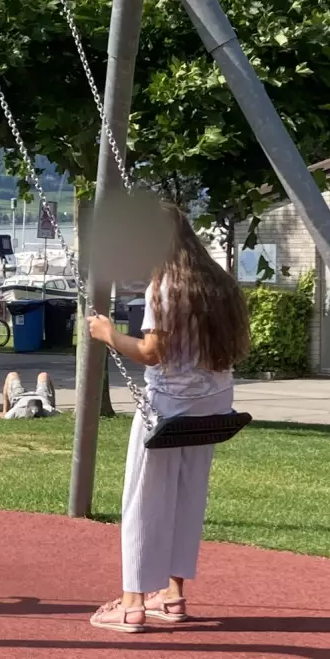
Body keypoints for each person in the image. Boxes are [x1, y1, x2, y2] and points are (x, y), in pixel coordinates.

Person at [84, 202, 249, 633]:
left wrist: (107, 334)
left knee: (143, 500)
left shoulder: (165, 287)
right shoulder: (218, 283)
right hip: (213, 406)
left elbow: (151, 352)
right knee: (187, 500)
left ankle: (132, 604)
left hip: (169, 409)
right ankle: (172, 596)